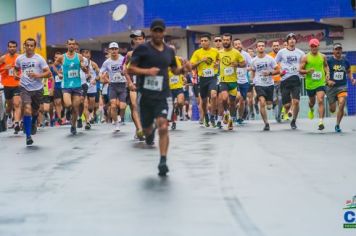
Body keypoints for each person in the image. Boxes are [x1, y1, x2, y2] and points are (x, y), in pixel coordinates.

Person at [128, 19, 188, 176]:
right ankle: (150, 130)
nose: (158, 33)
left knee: (163, 126)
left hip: (163, 94)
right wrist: (147, 72)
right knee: (147, 131)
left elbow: (175, 70)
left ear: (164, 32)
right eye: (155, 30)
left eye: (160, 31)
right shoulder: (142, 49)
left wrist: (184, 70)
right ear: (151, 32)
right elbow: (130, 69)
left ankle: (163, 161)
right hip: (146, 96)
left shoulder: (169, 51)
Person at [14, 38, 51, 145]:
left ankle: (34, 121)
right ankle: (28, 136)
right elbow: (16, 69)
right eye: (27, 45)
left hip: (38, 88)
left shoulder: (39, 59)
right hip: (24, 87)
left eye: (31, 46)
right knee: (27, 108)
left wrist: (37, 75)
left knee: (35, 111)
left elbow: (48, 73)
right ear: (24, 46)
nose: (29, 47)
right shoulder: (19, 58)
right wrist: (16, 75)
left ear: (34, 47)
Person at [53, 38, 88, 135]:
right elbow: (54, 65)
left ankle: (73, 126)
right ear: (67, 45)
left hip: (77, 85)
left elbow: (83, 67)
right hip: (66, 85)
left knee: (75, 106)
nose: (72, 46)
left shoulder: (79, 56)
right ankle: (67, 110)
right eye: (70, 44)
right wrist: (58, 74)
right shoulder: (62, 57)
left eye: (73, 44)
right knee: (68, 104)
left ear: (75, 45)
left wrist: (84, 69)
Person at [275, 33, 305, 129]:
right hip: (285, 80)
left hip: (296, 78)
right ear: (287, 41)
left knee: (296, 101)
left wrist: (304, 71)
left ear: (296, 41)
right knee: (287, 105)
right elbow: (275, 63)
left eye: (293, 39)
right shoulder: (281, 52)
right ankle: (288, 110)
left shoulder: (300, 53)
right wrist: (279, 70)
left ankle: (294, 121)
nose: (292, 41)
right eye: (290, 39)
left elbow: (304, 64)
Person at [189, 34, 219, 127]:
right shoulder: (197, 53)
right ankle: (206, 116)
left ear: (209, 41)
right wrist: (201, 61)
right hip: (202, 79)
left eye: (205, 40)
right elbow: (191, 66)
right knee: (204, 101)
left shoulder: (215, 51)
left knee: (213, 95)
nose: (203, 42)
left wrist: (217, 64)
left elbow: (219, 60)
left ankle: (212, 116)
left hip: (213, 77)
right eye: (201, 41)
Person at [300, 38, 329, 130]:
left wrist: (327, 73)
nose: (313, 48)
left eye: (315, 46)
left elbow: (325, 65)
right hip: (310, 84)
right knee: (312, 102)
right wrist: (308, 71)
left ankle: (320, 122)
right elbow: (300, 70)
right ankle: (311, 109)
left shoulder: (323, 56)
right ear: (310, 47)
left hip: (320, 82)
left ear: (318, 46)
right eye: (312, 46)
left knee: (320, 100)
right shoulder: (306, 57)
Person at [217, 34, 245, 130]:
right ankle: (225, 112)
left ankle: (231, 120)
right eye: (224, 40)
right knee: (224, 99)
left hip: (233, 81)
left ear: (230, 41)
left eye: (227, 40)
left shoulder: (236, 53)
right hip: (223, 80)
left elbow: (243, 63)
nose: (225, 41)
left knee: (232, 103)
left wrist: (237, 64)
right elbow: (215, 63)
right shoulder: (219, 53)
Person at [326, 43, 356, 132]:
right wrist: (328, 81)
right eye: (336, 49)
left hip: (342, 86)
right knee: (332, 109)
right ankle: (332, 105)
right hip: (331, 87)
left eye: (339, 49)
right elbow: (324, 72)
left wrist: (352, 79)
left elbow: (349, 71)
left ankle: (337, 125)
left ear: (341, 50)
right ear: (333, 51)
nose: (338, 51)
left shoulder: (345, 61)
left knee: (342, 103)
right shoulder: (329, 61)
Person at [100, 42, 129, 132]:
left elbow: (128, 68)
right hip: (112, 85)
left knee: (123, 106)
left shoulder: (123, 59)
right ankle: (116, 124)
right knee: (113, 106)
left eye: (115, 49)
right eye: (112, 49)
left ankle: (120, 116)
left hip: (122, 85)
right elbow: (101, 72)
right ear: (109, 50)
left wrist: (126, 76)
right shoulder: (107, 62)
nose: (114, 51)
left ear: (118, 50)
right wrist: (102, 76)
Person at [251, 41, 280, 131]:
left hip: (269, 84)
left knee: (269, 105)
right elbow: (253, 71)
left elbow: (278, 70)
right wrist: (253, 80)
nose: (261, 47)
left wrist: (270, 73)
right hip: (259, 84)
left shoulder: (270, 59)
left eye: (262, 46)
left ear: (265, 47)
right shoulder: (254, 60)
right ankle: (266, 123)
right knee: (262, 102)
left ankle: (274, 102)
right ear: (256, 48)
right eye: (259, 46)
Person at [123, 30, 146, 140]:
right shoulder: (129, 54)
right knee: (135, 106)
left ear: (144, 40)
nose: (137, 41)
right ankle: (139, 129)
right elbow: (124, 70)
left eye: (139, 39)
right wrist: (130, 82)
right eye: (135, 39)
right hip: (134, 85)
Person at [0, 41, 21, 133]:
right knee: (9, 106)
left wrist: (20, 76)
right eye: (10, 47)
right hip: (7, 85)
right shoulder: (3, 58)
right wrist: (5, 68)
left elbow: (24, 69)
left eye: (14, 47)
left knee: (17, 104)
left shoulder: (19, 58)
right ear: (8, 48)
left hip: (17, 84)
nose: (12, 48)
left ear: (16, 47)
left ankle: (16, 123)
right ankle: (8, 115)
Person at [233, 38, 253, 124]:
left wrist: (245, 68)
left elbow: (252, 66)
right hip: (234, 80)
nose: (238, 46)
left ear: (241, 45)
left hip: (244, 80)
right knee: (237, 97)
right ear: (234, 46)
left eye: (239, 44)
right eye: (236, 44)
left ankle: (240, 118)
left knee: (242, 100)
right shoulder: (231, 54)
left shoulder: (246, 55)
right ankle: (233, 115)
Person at [168, 44, 186, 130]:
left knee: (180, 102)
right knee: (170, 107)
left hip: (178, 86)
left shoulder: (179, 59)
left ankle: (178, 108)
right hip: (169, 88)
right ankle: (173, 122)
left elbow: (184, 69)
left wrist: (184, 77)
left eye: (173, 50)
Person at [268, 41, 283, 122]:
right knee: (274, 99)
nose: (276, 47)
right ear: (272, 47)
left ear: (279, 46)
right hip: (272, 81)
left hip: (281, 81)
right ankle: (274, 106)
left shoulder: (282, 55)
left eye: (277, 45)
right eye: (274, 46)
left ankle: (279, 115)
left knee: (281, 99)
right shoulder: (269, 56)